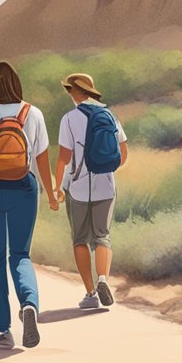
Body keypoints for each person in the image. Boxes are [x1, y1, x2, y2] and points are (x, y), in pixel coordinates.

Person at [0, 61, 59, 349]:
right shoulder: (33, 114)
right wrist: (52, 193)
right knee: (20, 255)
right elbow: (42, 159)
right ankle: (29, 304)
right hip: (24, 189)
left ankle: (2, 331)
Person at [53, 73, 128, 309]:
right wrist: (106, 169)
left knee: (80, 240)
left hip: (78, 188)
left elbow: (64, 158)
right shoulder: (109, 115)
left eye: (69, 90)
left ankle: (90, 293)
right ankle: (104, 279)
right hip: (106, 186)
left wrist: (57, 188)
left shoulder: (69, 119)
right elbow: (123, 152)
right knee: (102, 237)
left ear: (75, 91)